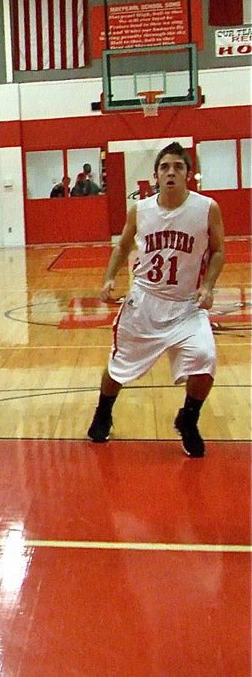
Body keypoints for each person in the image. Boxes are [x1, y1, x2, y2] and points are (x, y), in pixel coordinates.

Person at [87, 142, 225, 457]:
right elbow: (122, 246)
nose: (171, 172)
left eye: (178, 166)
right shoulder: (141, 209)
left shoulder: (206, 208)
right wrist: (110, 278)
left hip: (186, 306)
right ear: (156, 175)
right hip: (144, 302)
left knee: (205, 360)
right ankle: (103, 412)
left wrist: (209, 285)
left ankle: (188, 419)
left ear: (189, 174)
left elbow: (218, 250)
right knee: (118, 367)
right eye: (165, 167)